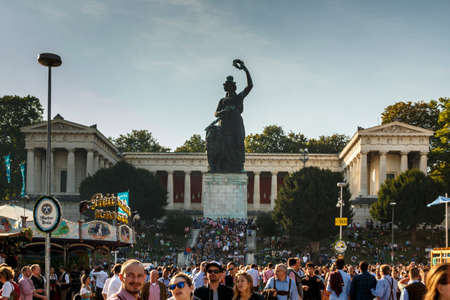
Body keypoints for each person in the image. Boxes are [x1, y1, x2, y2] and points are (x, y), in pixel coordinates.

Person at [209, 59, 253, 173]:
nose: (225, 87)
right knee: (222, 146)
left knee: (237, 144)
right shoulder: (222, 100)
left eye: (227, 85)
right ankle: (219, 166)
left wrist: (245, 70)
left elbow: (250, 86)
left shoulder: (238, 97)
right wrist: (222, 112)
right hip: (224, 125)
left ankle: (239, 166)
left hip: (236, 124)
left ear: (232, 87)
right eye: (225, 85)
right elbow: (215, 113)